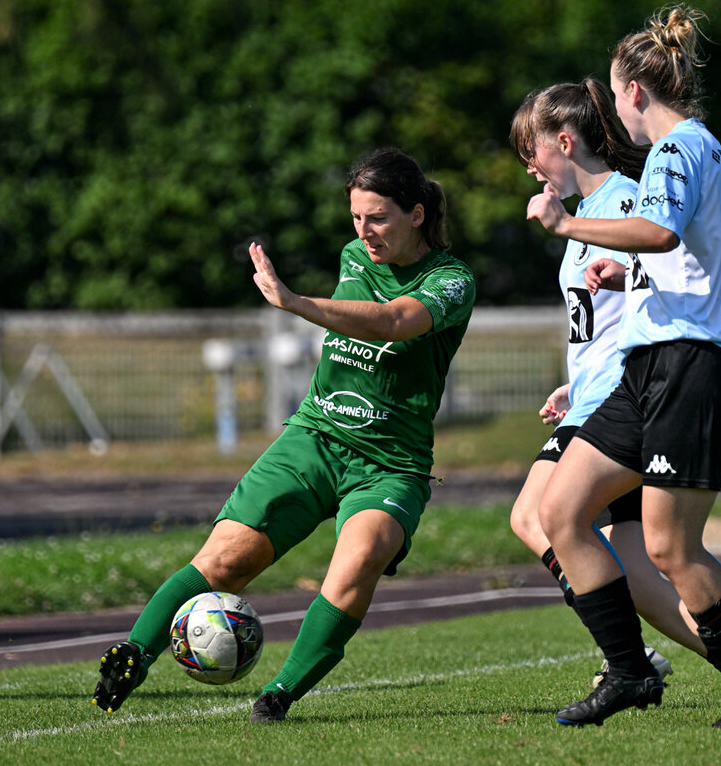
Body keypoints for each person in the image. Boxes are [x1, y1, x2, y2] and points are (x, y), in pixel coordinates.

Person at [92, 147, 476, 723]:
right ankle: (134, 653)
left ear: (417, 214)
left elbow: (396, 322)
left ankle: (278, 696)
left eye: (378, 218)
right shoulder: (354, 256)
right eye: (356, 217)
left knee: (360, 557)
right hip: (313, 437)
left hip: (390, 463)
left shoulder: (452, 280)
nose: (364, 232)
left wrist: (295, 304)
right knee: (225, 560)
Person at [526, 5, 721, 729]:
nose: (615, 114)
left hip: (693, 367)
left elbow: (657, 231)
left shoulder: (679, 148)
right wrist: (632, 279)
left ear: (635, 92)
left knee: (670, 546)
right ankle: (629, 671)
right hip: (651, 366)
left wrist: (566, 223)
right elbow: (708, 257)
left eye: (616, 96)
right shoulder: (694, 154)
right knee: (559, 512)